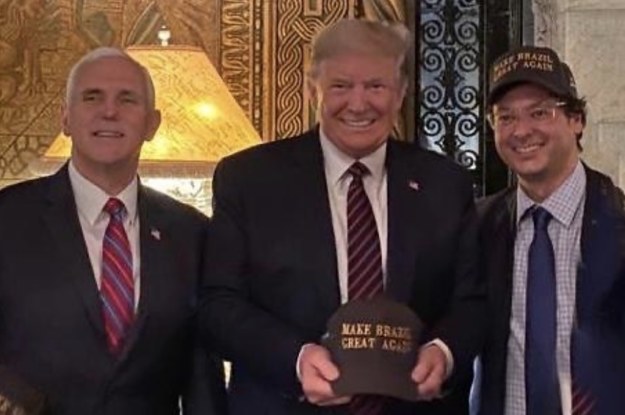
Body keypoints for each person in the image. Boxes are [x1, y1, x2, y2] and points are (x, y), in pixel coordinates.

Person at [201, 18, 485, 415]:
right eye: (340, 86)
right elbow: (218, 304)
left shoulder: (446, 184)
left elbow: (472, 301)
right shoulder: (248, 179)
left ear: (401, 93)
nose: (358, 103)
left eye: (376, 86)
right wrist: (296, 359)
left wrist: (444, 351)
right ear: (312, 89)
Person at [0, 47, 227, 415]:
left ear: (152, 124)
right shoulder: (8, 218)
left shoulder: (192, 233)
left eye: (127, 99)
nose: (109, 111)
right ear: (65, 118)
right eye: (92, 97)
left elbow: (202, 378)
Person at [475, 45, 625, 415]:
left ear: (577, 120)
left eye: (539, 112)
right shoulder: (477, 227)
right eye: (506, 117)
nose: (521, 130)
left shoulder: (619, 223)